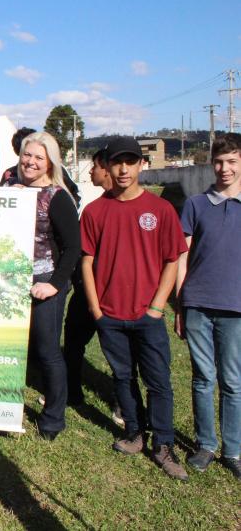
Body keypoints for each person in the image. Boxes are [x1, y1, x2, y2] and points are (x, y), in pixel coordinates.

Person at [81, 136, 188, 480]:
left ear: (142, 164)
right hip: (110, 315)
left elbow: (172, 260)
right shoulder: (95, 211)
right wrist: (97, 310)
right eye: (117, 162)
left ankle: (164, 444)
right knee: (123, 377)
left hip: (147, 316)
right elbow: (87, 262)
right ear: (108, 166)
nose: (123, 169)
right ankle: (134, 433)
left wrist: (157, 307)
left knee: (158, 381)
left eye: (130, 162)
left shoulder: (160, 209)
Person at [175, 132, 241, 481]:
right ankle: (206, 445)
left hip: (235, 307)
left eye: (231, 161)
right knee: (203, 378)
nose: (224, 168)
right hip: (198, 303)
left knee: (233, 381)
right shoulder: (196, 204)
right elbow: (181, 257)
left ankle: (233, 449)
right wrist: (179, 304)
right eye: (218, 162)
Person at [12, 132, 80, 440]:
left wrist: (54, 285)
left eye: (39, 157)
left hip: (46, 282)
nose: (31, 162)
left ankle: (53, 419)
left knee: (47, 350)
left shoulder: (57, 196)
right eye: (27, 155)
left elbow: (73, 248)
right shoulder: (12, 191)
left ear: (50, 162)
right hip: (13, 280)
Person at [63, 148, 120, 410]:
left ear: (106, 169)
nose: (91, 172)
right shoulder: (93, 209)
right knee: (74, 343)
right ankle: (71, 392)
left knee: (119, 351)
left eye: (95, 167)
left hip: (111, 293)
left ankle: (123, 403)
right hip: (86, 289)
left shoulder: (118, 208)